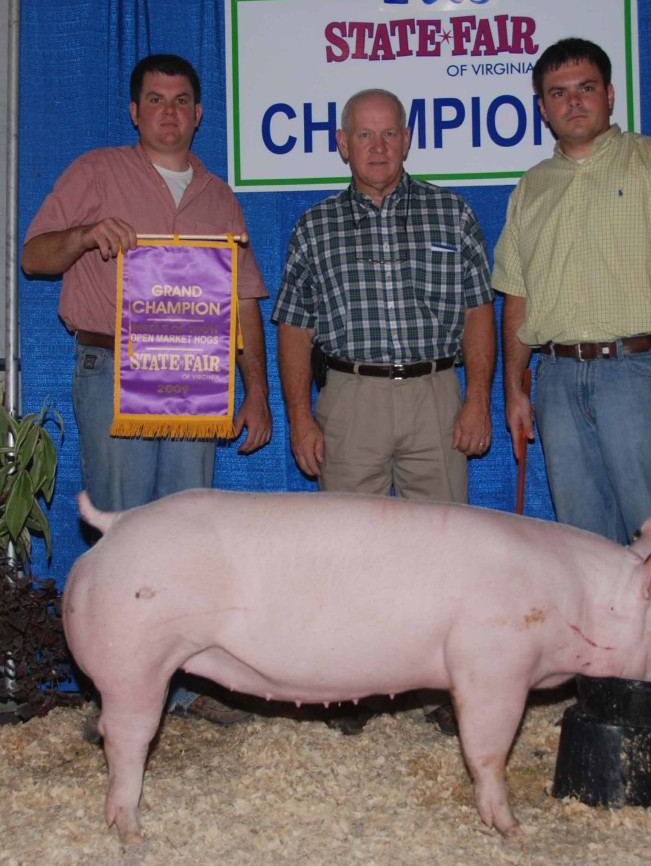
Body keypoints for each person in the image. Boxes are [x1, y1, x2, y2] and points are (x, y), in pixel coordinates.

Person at [492, 38, 651, 758]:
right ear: (542, 107)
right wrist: (514, 384)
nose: (573, 101)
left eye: (585, 87)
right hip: (559, 377)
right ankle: (607, 689)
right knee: (586, 545)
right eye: (558, 92)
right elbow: (516, 295)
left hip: (639, 366)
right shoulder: (531, 187)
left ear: (609, 95)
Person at [22, 53, 272, 726]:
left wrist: (258, 393)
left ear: (197, 113)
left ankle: (188, 689)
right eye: (155, 100)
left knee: (186, 533)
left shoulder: (217, 194)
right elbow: (31, 256)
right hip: (112, 368)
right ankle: (118, 692)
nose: (169, 111)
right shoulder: (96, 172)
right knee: (125, 530)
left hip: (197, 374)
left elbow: (246, 300)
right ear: (134, 111)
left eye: (181, 100)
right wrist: (81, 236)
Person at [272, 88, 495, 734]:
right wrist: (301, 414)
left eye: (389, 134)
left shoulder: (451, 215)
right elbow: (293, 327)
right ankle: (349, 687)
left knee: (446, 548)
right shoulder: (314, 226)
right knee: (347, 550)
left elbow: (481, 313)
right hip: (350, 396)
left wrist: (477, 396)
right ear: (341, 144)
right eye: (363, 135)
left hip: (435, 394)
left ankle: (445, 686)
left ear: (407, 140)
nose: (376, 147)